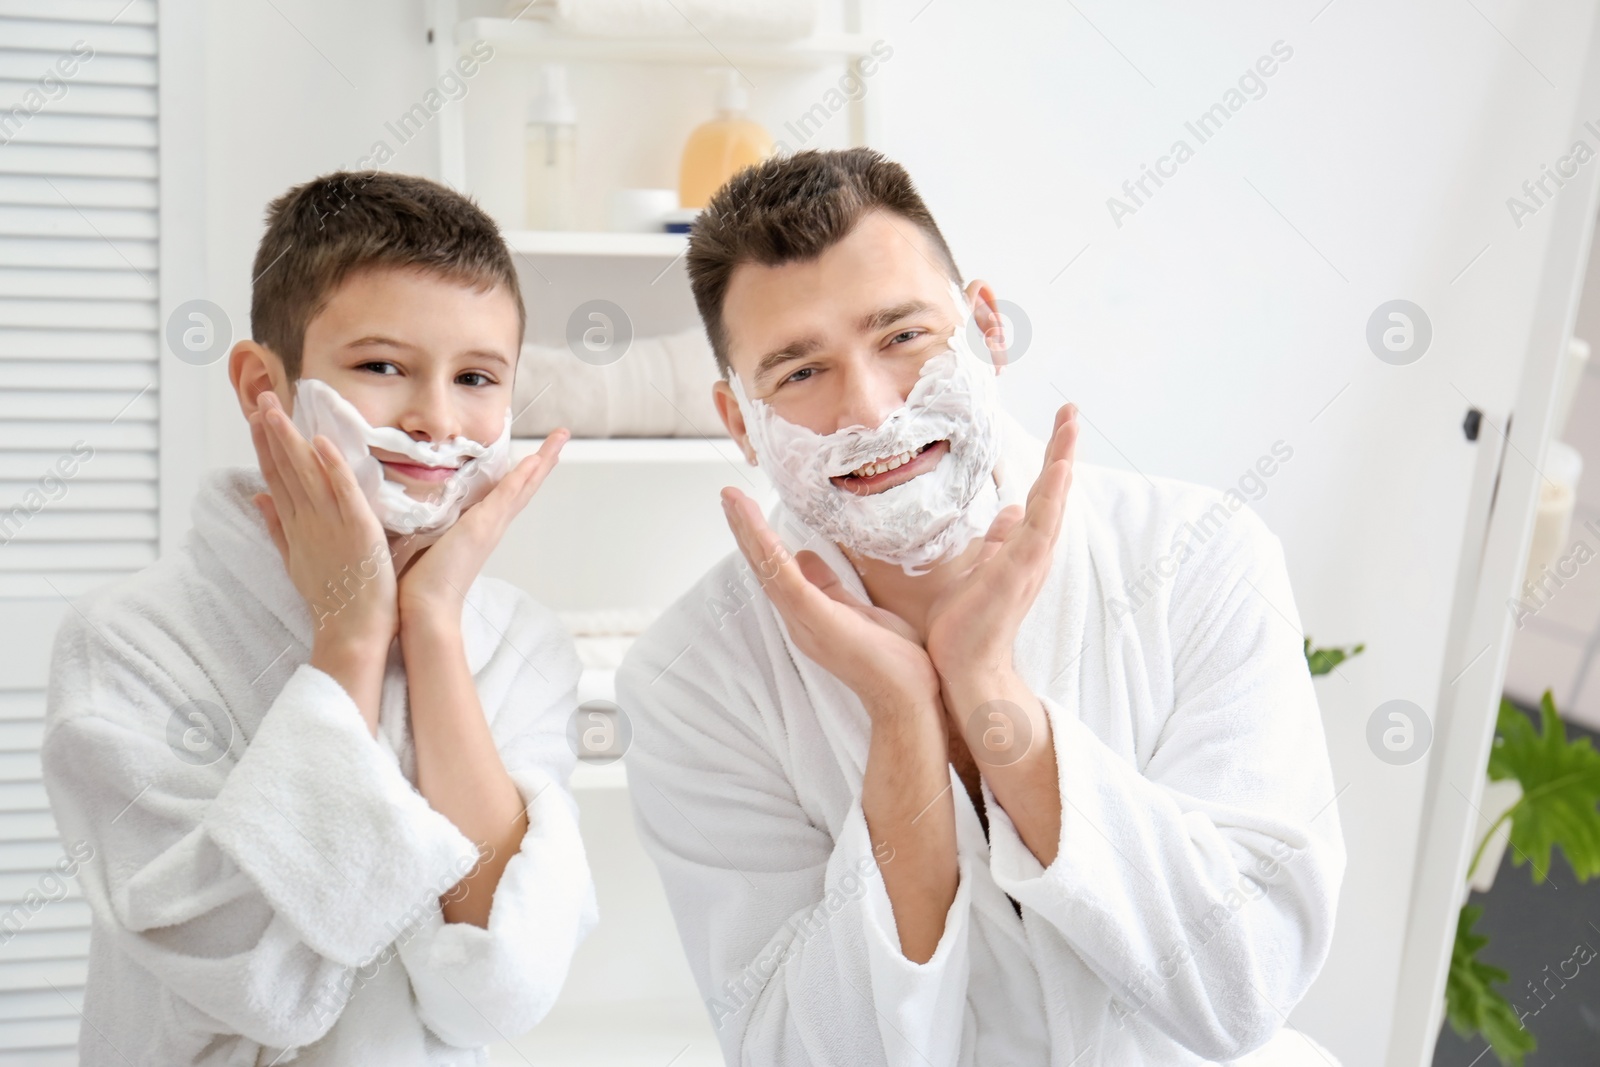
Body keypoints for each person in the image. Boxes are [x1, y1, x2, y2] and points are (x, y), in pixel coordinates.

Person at [616, 147, 1346, 1066]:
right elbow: (796, 1052)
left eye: (902, 338)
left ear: (987, 328)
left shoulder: (1201, 555)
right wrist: (901, 720)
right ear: (738, 423)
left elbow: (1245, 982)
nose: (871, 410)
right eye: (800, 373)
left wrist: (991, 691)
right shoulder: (693, 681)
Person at [41, 171, 596, 1066]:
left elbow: (501, 995)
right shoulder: (127, 644)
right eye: (383, 366)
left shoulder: (520, 646)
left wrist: (436, 628)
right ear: (266, 382)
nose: (436, 419)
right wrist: (350, 635)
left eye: (478, 377)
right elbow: (258, 983)